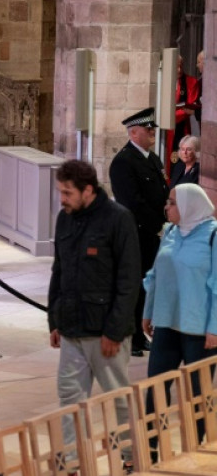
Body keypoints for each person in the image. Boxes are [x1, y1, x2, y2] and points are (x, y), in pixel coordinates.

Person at [49, 159, 140, 471]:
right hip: (71, 329)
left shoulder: (118, 219)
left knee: (117, 398)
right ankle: (72, 463)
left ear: (88, 190)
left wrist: (114, 331)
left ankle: (131, 457)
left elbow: (129, 280)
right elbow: (58, 270)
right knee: (69, 399)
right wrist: (54, 320)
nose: (62, 198)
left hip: (106, 334)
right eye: (60, 191)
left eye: (67, 192)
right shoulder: (65, 218)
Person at [142, 183, 217, 445]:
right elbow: (155, 275)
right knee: (155, 391)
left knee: (198, 396)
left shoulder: (213, 235)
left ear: (189, 205)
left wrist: (214, 328)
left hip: (199, 331)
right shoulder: (171, 231)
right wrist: (148, 310)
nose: (167, 207)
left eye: (173, 202)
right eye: (168, 201)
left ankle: (195, 452)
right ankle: (150, 452)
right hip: (166, 323)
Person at [109, 107, 169, 357]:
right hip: (137, 233)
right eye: (148, 129)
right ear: (134, 133)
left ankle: (141, 334)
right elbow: (131, 202)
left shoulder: (151, 158)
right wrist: (158, 224)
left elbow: (162, 193)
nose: (152, 132)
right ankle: (131, 338)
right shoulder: (123, 162)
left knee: (148, 285)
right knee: (134, 285)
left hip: (153, 233)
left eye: (152, 128)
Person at [168, 55, 200, 164]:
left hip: (183, 127)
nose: (179, 70)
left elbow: (189, 108)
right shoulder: (164, 81)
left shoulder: (191, 82)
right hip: (166, 131)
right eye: (176, 67)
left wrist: (170, 116)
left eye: (181, 66)